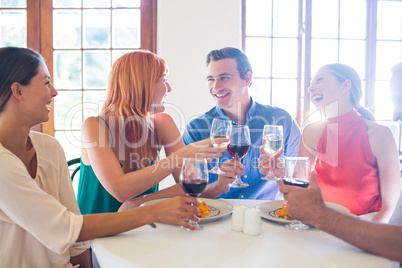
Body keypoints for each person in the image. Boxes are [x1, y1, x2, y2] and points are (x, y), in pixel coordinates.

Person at [0, 47, 203, 267]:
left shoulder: (50, 147)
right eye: (46, 82)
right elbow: (67, 227)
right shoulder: (95, 126)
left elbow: (73, 229)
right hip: (102, 240)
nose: (55, 92)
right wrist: (150, 210)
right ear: (18, 91)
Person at [277, 62, 402, 263]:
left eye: (320, 79)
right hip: (318, 231)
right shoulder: (311, 132)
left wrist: (360, 242)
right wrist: (277, 171)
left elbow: (390, 206)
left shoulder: (380, 134)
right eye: (311, 83)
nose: (311, 87)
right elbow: (298, 188)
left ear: (346, 86)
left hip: (368, 233)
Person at [77, 51, 227, 214]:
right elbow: (120, 190)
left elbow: (187, 185)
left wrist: (140, 202)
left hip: (139, 228)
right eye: (163, 80)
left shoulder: (162, 124)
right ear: (141, 85)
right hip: (96, 232)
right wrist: (181, 155)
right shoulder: (94, 126)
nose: (169, 88)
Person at [183, 47, 301, 200]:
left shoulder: (281, 121)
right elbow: (190, 196)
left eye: (224, 77)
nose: (216, 87)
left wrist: (281, 172)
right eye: (211, 79)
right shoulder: (197, 129)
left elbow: (299, 183)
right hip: (215, 219)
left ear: (247, 79)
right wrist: (218, 187)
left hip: (267, 218)